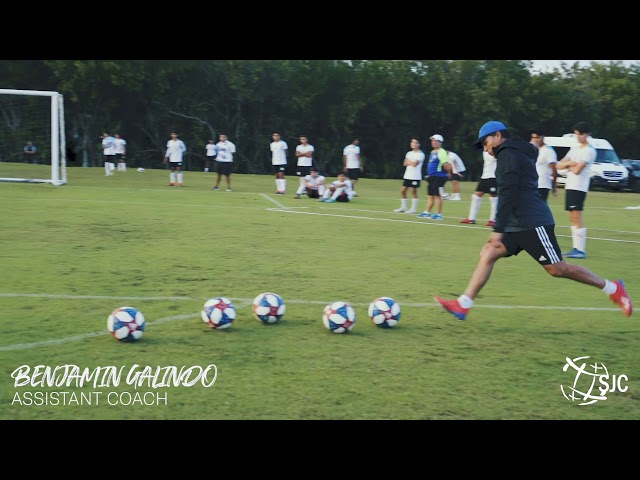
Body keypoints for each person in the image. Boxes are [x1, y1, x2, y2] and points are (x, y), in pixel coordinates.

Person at [434, 120, 632, 321]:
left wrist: (498, 230)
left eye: (485, 143)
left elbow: (508, 194)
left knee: (557, 268)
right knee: (489, 252)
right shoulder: (515, 152)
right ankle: (463, 304)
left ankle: (613, 288)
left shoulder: (508, 156)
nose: (485, 149)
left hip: (532, 222)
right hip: (517, 221)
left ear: (498, 137)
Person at [555, 121, 596, 259]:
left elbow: (578, 170)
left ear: (587, 134)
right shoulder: (575, 148)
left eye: (580, 134)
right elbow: (559, 165)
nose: (578, 137)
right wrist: (569, 163)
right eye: (576, 134)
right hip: (571, 186)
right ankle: (575, 248)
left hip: (579, 187)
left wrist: (569, 165)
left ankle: (580, 250)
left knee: (577, 216)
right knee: (572, 217)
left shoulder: (589, 151)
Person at [460, 150, 499, 227]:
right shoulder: (486, 149)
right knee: (476, 196)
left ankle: (493, 220)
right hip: (484, 177)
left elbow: (496, 158)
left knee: (494, 198)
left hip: (493, 177)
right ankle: (471, 219)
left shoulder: (497, 149)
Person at [417, 134, 450, 220]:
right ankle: (427, 212)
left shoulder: (441, 151)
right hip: (432, 177)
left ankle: (439, 214)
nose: (433, 142)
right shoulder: (432, 152)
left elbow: (446, 165)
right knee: (430, 195)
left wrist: (448, 173)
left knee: (437, 195)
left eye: (435, 141)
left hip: (439, 176)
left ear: (440, 142)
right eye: (432, 141)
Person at [393, 137, 425, 214]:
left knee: (413, 192)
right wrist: (410, 162)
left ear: (419, 144)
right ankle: (403, 207)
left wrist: (409, 161)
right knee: (403, 191)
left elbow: (414, 164)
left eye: (416, 142)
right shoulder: (409, 153)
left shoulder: (420, 154)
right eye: (412, 142)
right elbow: (404, 163)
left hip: (415, 176)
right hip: (407, 175)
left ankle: (413, 209)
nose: (413, 144)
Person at [530, 130, 558, 202]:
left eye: (537, 138)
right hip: (533, 183)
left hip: (542, 184)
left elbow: (554, 169)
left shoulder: (548, 151)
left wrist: (554, 185)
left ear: (543, 138)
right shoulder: (535, 149)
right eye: (533, 138)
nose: (535, 140)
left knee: (538, 207)